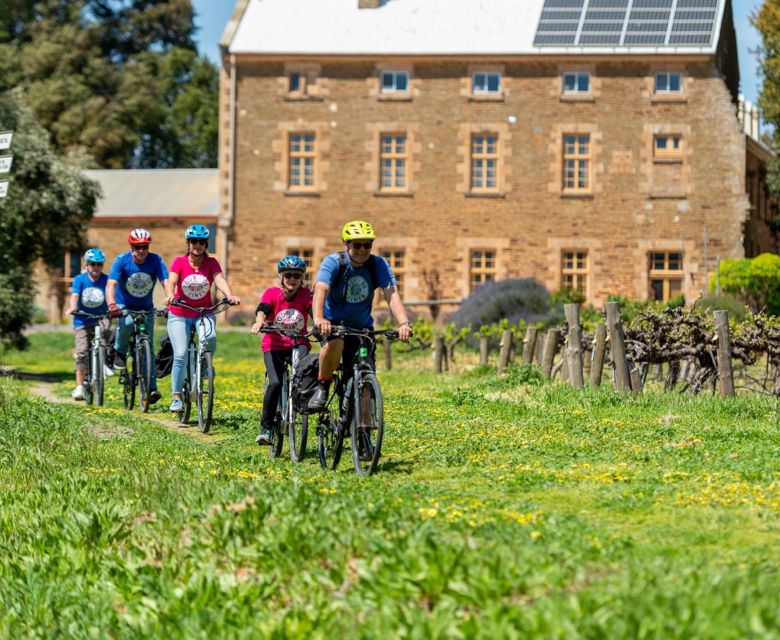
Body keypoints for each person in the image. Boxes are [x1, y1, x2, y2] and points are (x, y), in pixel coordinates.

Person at [307, 220, 412, 412]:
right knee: (335, 343)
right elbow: (321, 288)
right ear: (346, 244)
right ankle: (323, 385)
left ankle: (363, 429)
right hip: (332, 324)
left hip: (362, 327)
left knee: (365, 370)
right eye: (357, 245)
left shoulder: (377, 264)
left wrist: (404, 323)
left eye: (367, 245)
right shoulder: (334, 262)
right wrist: (319, 318)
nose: (363, 249)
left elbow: (391, 293)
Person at [163, 224, 240, 413]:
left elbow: (219, 279)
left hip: (203, 312)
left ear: (206, 244)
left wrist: (230, 294)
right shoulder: (179, 262)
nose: (197, 245)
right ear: (188, 244)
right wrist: (170, 294)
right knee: (180, 354)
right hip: (180, 313)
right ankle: (176, 397)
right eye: (194, 241)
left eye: (201, 242)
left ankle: (205, 365)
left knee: (210, 338)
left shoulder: (211, 263)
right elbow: (171, 281)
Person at [251, 255, 313, 445]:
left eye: (296, 275)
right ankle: (267, 428)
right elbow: (262, 309)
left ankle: (299, 411)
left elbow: (315, 314)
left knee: (301, 378)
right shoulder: (272, 293)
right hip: (274, 346)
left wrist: (321, 326)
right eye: (288, 275)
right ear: (282, 277)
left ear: (301, 278)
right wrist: (260, 321)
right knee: (276, 383)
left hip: (298, 343)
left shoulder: (306, 295)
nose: (292, 279)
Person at [106, 228, 169, 405]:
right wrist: (112, 304)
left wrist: (170, 299)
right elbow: (111, 284)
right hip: (124, 306)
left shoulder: (155, 260)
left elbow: (166, 281)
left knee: (147, 347)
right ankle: (119, 351)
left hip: (145, 308)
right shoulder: (122, 261)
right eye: (137, 247)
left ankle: (151, 389)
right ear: (131, 247)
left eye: (144, 247)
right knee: (125, 323)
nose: (141, 250)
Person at [66, 248, 111, 400]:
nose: (96, 268)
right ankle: (79, 386)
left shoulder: (106, 280)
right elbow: (75, 295)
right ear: (86, 265)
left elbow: (112, 295)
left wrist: (114, 307)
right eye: (92, 264)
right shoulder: (80, 279)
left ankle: (103, 364)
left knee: (105, 335)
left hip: (101, 317)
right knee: (82, 352)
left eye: (99, 265)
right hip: (82, 319)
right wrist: (73, 307)